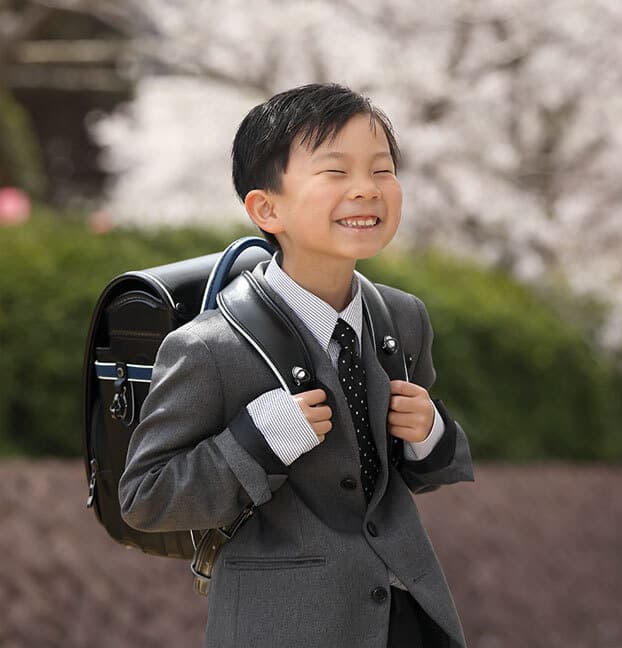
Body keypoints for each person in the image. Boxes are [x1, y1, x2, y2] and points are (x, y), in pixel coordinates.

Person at [118, 82, 476, 648]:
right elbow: (145, 497)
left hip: (410, 617)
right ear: (267, 207)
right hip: (282, 627)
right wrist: (257, 442)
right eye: (335, 173)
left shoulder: (404, 319)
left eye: (382, 172)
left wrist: (431, 434)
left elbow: (394, 475)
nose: (366, 190)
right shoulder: (209, 346)